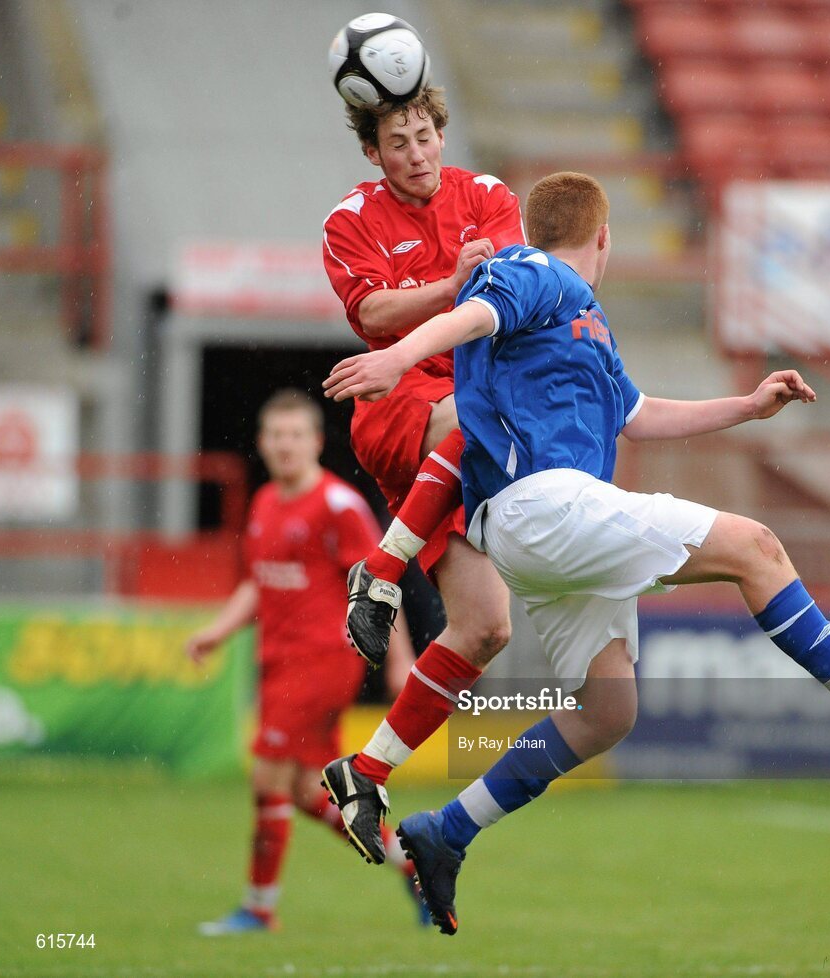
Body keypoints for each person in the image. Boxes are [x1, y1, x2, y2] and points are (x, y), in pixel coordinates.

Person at [323, 171, 830, 935]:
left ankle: (449, 833)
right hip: (546, 505)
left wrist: (747, 406)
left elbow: (638, 415)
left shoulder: (586, 321)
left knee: (608, 712)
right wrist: (398, 356)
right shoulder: (534, 270)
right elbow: (473, 313)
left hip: (545, 527)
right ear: (605, 237)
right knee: (756, 548)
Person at [319, 85, 526, 865]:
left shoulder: (488, 196)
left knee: (485, 629)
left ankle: (363, 770)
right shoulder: (351, 219)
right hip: (401, 404)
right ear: (373, 154)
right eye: (396, 143)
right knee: (477, 419)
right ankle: (379, 572)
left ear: (442, 131)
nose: (415, 154)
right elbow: (372, 318)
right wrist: (453, 285)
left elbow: (516, 289)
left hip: (467, 420)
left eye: (424, 136)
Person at [186, 389, 426, 934]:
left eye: (296, 435)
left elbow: (378, 582)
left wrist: (400, 656)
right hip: (278, 661)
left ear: (316, 442)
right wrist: (217, 633)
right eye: (276, 435)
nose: (285, 445)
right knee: (302, 791)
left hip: (322, 661)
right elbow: (256, 583)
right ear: (263, 443)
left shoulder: (338, 506)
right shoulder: (266, 503)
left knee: (267, 777)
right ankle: (412, 863)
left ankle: (257, 907)